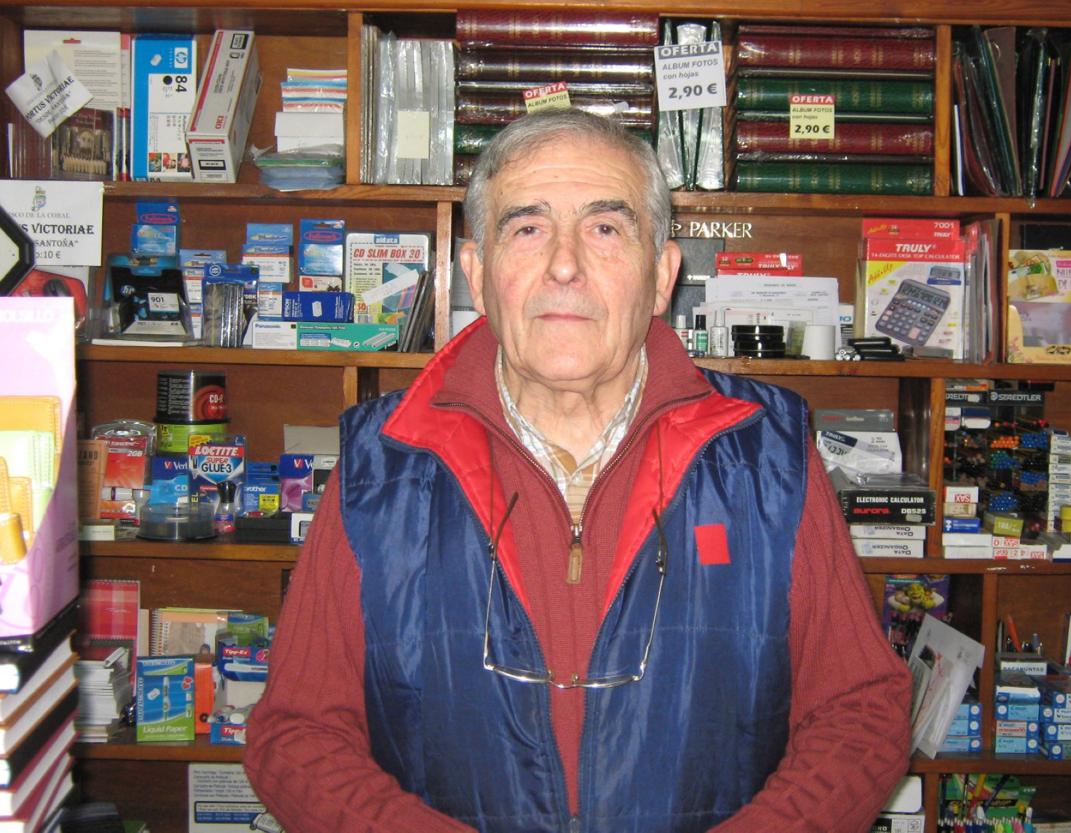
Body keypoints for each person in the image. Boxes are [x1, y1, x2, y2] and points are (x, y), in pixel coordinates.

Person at [244, 109, 911, 833]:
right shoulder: (379, 465)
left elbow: (860, 711)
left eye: (604, 228)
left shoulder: (768, 453)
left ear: (661, 276)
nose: (564, 264)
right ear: (476, 273)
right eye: (527, 228)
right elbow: (296, 734)